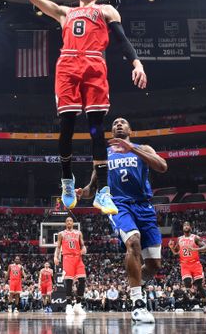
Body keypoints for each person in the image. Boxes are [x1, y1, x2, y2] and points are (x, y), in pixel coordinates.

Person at [29, 0, 147, 213]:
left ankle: (103, 192)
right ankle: (67, 180)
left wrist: (137, 63)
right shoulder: (66, 12)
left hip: (94, 63)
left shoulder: (106, 10)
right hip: (68, 64)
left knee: (96, 128)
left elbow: (122, 40)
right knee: (67, 126)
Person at [77, 117, 168, 323]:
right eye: (115, 123)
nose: (118, 124)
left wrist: (132, 149)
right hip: (118, 205)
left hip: (144, 206)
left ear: (130, 130)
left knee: (154, 264)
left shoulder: (142, 147)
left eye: (123, 122)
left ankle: (134, 284)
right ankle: (138, 303)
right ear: (111, 131)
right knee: (133, 241)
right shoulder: (104, 155)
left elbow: (162, 166)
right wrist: (81, 192)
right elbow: (92, 189)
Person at [168, 221, 206, 313]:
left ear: (190, 227)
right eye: (184, 225)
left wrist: (195, 249)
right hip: (185, 264)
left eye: (188, 225)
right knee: (187, 283)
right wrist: (171, 248)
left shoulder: (195, 237)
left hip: (195, 264)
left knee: (199, 285)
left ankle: (205, 304)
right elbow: (175, 252)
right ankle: (192, 294)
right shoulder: (179, 239)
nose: (186, 226)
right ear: (182, 228)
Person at [54, 216, 87, 315]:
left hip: (78, 257)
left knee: (82, 280)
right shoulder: (61, 234)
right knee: (68, 281)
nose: (69, 222)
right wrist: (56, 257)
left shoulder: (78, 233)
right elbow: (58, 247)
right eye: (67, 221)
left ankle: (78, 305)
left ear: (73, 223)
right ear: (65, 223)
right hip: (67, 258)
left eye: (70, 221)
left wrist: (84, 248)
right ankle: (68, 305)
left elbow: (82, 245)